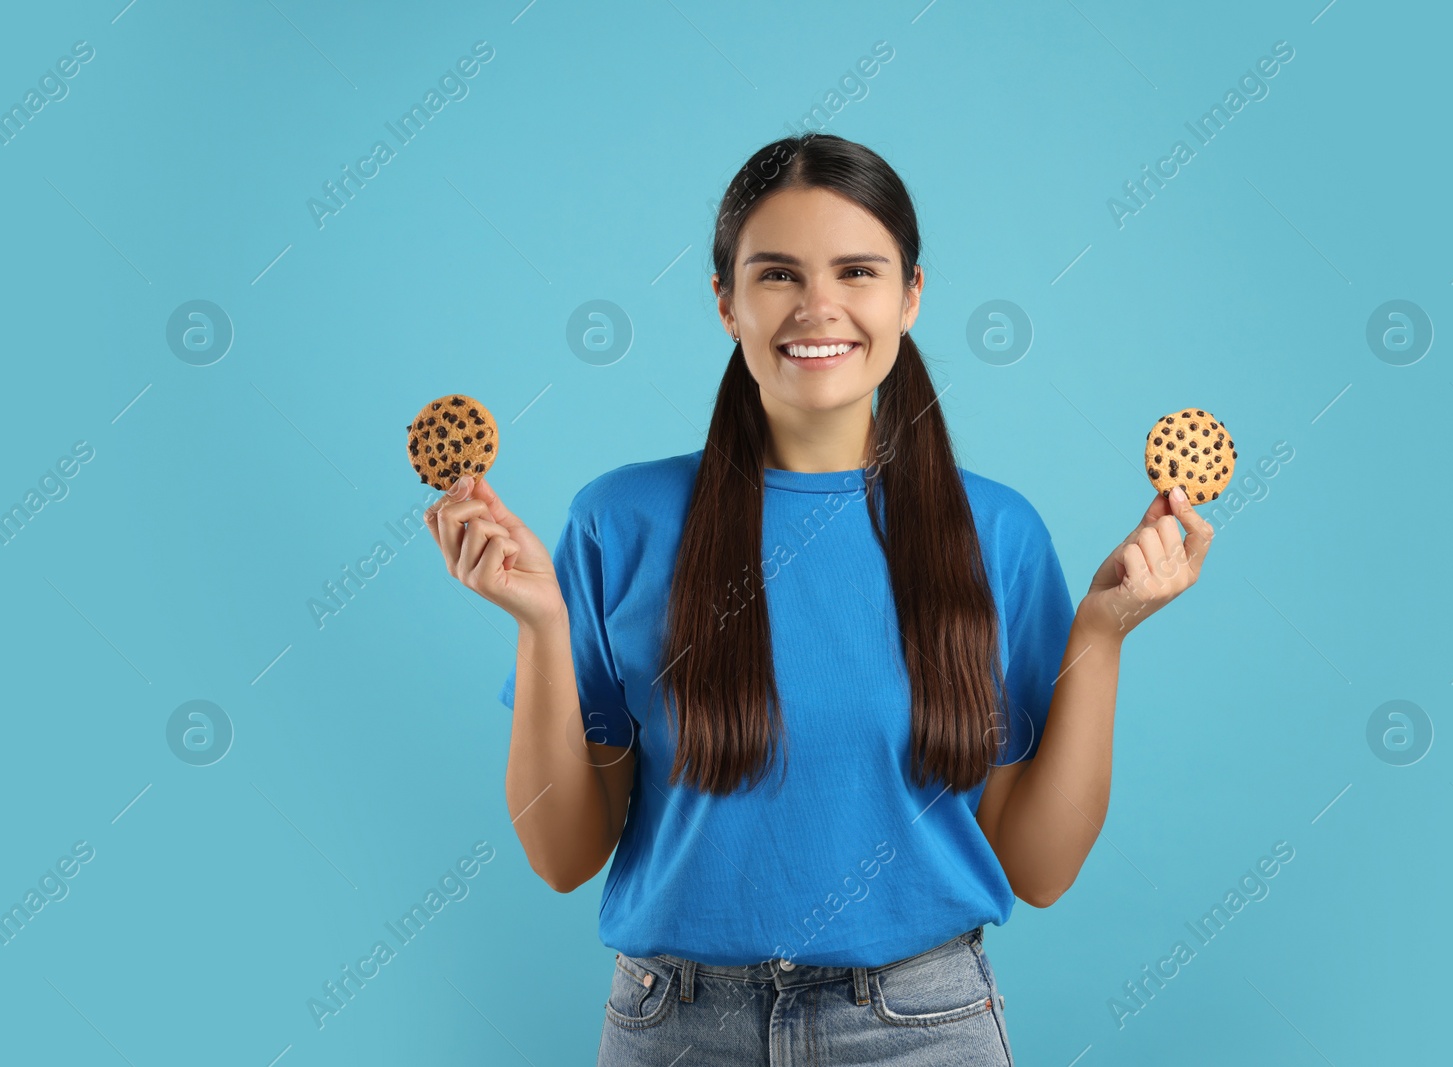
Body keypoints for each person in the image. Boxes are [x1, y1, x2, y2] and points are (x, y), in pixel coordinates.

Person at [423, 132, 1213, 1065]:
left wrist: (1103, 635)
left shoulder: (995, 535)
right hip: (675, 1027)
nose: (819, 307)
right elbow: (563, 857)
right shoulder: (617, 523)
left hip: (922, 1028)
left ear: (911, 294)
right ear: (725, 302)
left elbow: (1038, 870)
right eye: (777, 275)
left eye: (857, 271)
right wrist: (541, 624)